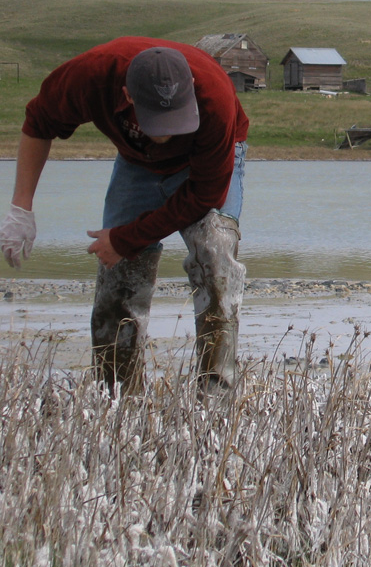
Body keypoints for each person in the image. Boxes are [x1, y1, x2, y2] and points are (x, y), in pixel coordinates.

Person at [0, 37, 250, 395]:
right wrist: (20, 208)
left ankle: (215, 400)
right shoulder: (91, 76)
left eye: (176, 118)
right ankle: (117, 398)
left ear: (191, 88)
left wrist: (125, 238)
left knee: (215, 253)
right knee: (117, 275)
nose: (166, 132)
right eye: (156, 121)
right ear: (128, 96)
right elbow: (39, 121)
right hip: (137, 163)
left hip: (206, 163)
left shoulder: (214, 95)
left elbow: (204, 194)